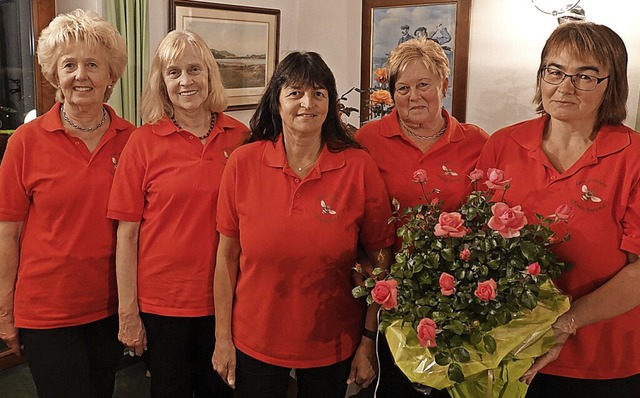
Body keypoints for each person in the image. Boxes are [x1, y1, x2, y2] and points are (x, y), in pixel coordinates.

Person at [212, 51, 395, 398]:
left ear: (330, 103)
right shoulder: (243, 163)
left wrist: (368, 340)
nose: (307, 103)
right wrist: (222, 338)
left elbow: (381, 257)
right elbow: (226, 258)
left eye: (318, 93)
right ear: (276, 102)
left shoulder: (358, 167)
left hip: (333, 341)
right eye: (295, 92)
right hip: (255, 338)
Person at [476, 22, 640, 398]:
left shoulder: (633, 156)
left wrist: (564, 324)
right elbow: (478, 238)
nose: (564, 87)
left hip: (602, 359)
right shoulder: (504, 143)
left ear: (610, 84)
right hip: (511, 348)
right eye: (554, 71)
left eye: (585, 76)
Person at [107, 29, 248, 398]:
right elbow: (126, 234)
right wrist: (128, 313)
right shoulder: (142, 142)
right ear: (162, 83)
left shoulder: (242, 138)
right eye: (173, 73)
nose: (185, 81)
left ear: (209, 76)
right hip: (163, 305)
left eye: (194, 70)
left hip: (228, 300)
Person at [0, 9, 133, 398]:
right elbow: (7, 234)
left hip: (110, 306)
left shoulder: (135, 141)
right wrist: (5, 311)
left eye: (93, 64)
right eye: (69, 65)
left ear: (111, 75)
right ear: (54, 74)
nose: (81, 75)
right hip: (47, 310)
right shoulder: (25, 142)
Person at [355, 38, 488, 398]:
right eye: (403, 88)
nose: (413, 96)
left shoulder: (477, 142)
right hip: (389, 296)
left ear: (444, 86)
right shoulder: (368, 139)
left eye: (423, 85)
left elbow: (488, 220)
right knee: (395, 387)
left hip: (457, 297)